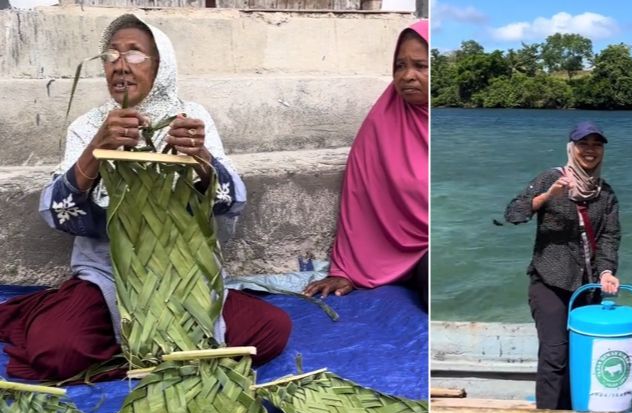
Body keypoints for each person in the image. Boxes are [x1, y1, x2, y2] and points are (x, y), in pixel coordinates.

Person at [0, 14, 292, 381]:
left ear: (162, 66)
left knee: (272, 330)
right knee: (57, 348)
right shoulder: (90, 126)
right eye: (110, 56)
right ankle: (167, 356)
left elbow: (228, 201)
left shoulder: (192, 119)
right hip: (110, 278)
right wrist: (96, 150)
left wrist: (201, 159)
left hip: (181, 278)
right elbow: (61, 215)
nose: (119, 65)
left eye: (134, 54)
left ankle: (144, 354)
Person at [303, 21, 429, 310]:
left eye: (421, 66)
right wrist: (345, 269)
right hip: (411, 252)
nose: (408, 76)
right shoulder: (382, 123)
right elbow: (359, 202)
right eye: (400, 65)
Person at [504, 122, 621, 410]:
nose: (590, 151)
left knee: (580, 355)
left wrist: (606, 271)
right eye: (584, 144)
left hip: (587, 286)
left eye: (597, 144)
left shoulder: (605, 193)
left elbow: (609, 237)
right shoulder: (550, 178)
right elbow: (513, 214)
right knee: (555, 354)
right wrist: (547, 197)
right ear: (572, 147)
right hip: (550, 280)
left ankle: (574, 412)